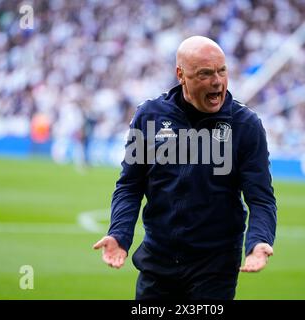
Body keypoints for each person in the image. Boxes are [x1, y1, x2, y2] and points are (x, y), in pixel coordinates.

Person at [93, 36, 277, 300]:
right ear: (181, 75)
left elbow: (261, 199)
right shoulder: (149, 117)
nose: (217, 81)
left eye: (222, 71)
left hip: (215, 268)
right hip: (157, 262)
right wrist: (119, 234)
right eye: (205, 73)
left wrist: (259, 241)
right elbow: (130, 186)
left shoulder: (245, 125)